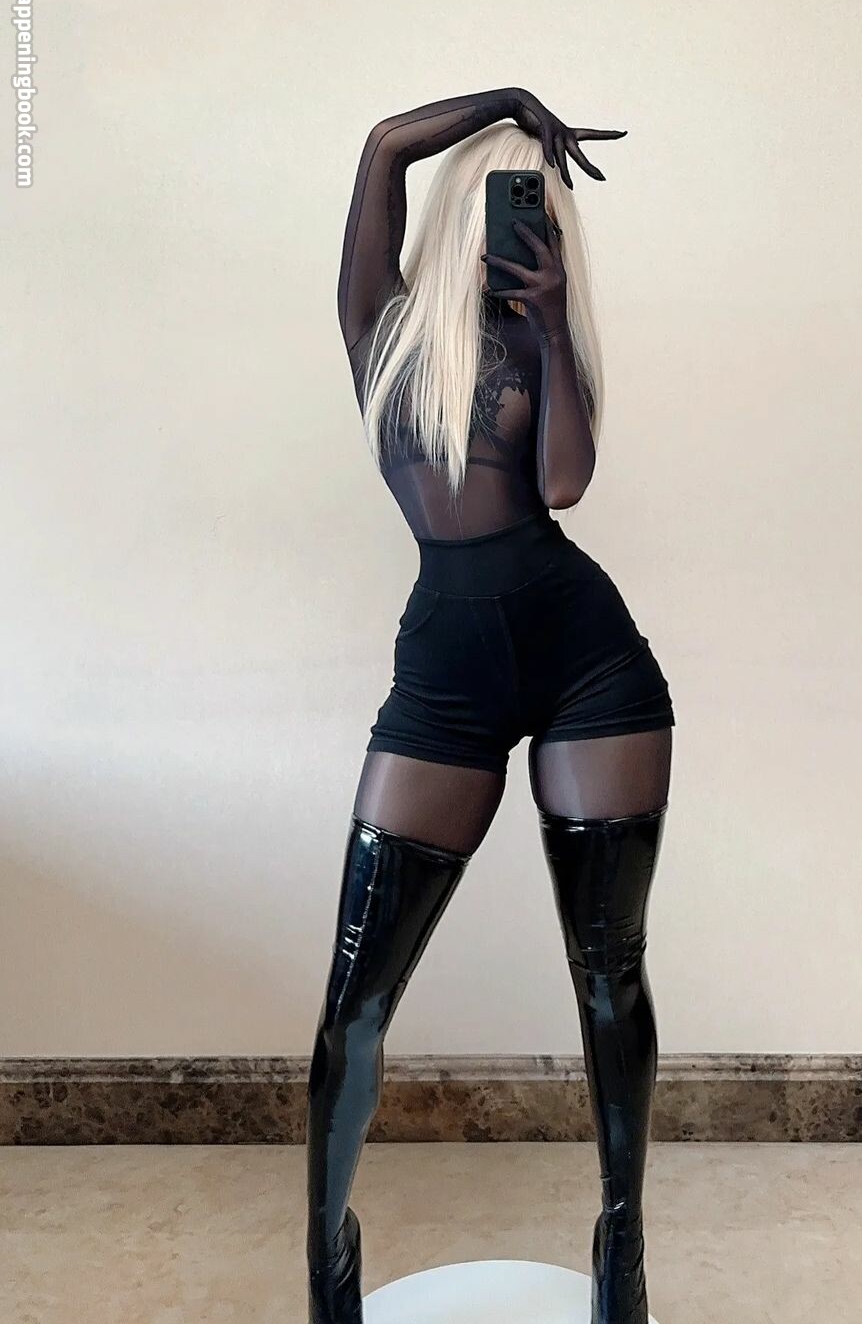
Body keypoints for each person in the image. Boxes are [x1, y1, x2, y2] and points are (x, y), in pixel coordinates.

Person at [306, 86, 675, 1324]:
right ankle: (328, 1273)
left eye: (548, 213)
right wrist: (509, 104)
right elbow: (382, 146)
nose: (534, 225)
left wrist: (556, 324)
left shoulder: (539, 340)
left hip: (589, 664)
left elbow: (562, 485)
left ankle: (622, 1259)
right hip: (447, 678)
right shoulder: (379, 324)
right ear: (473, 205)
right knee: (357, 996)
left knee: (608, 973)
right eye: (521, 205)